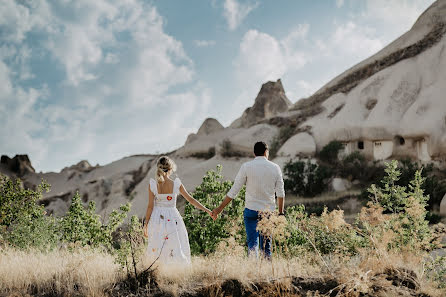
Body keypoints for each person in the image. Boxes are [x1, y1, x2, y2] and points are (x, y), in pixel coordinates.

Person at [212, 141, 285, 259]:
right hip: (268, 213)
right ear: (266, 152)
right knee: (266, 246)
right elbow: (281, 193)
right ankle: (266, 273)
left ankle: (252, 272)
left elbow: (234, 191)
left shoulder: (246, 167)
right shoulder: (275, 168)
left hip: (251, 211)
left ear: (254, 153)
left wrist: (219, 208)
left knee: (252, 244)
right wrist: (281, 213)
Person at [143, 156, 212, 265]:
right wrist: (207, 210)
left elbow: (150, 206)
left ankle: (157, 270)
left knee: (157, 246)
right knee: (174, 246)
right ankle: (175, 270)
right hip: (172, 218)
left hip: (157, 219)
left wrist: (146, 224)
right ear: (171, 169)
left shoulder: (153, 184)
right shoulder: (176, 184)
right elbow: (190, 199)